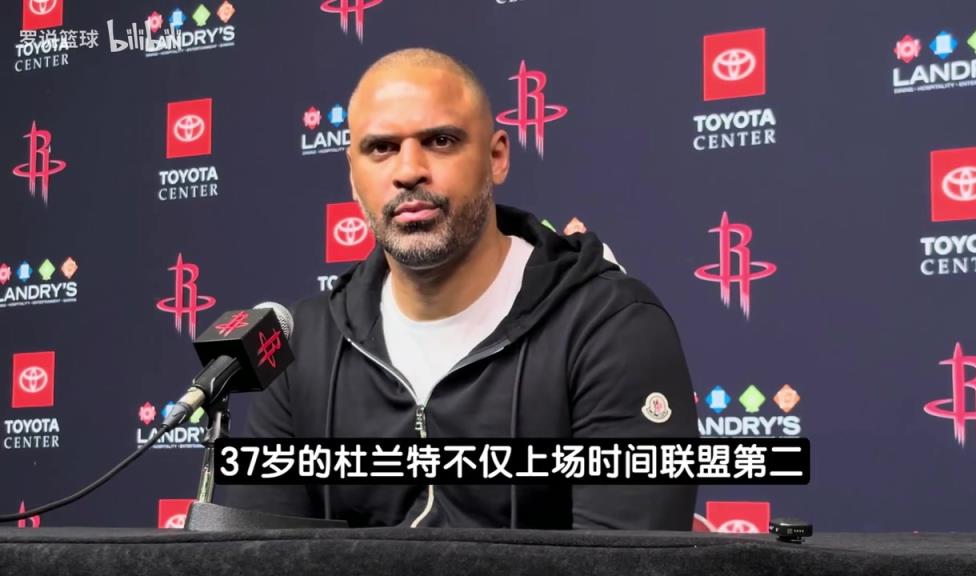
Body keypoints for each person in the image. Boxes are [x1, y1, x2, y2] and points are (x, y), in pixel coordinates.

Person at [227, 48, 698, 529]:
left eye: (440, 141)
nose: (408, 171)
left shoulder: (609, 327)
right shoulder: (303, 346)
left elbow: (625, 557)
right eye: (381, 148)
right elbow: (254, 554)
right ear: (352, 174)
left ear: (496, 157)